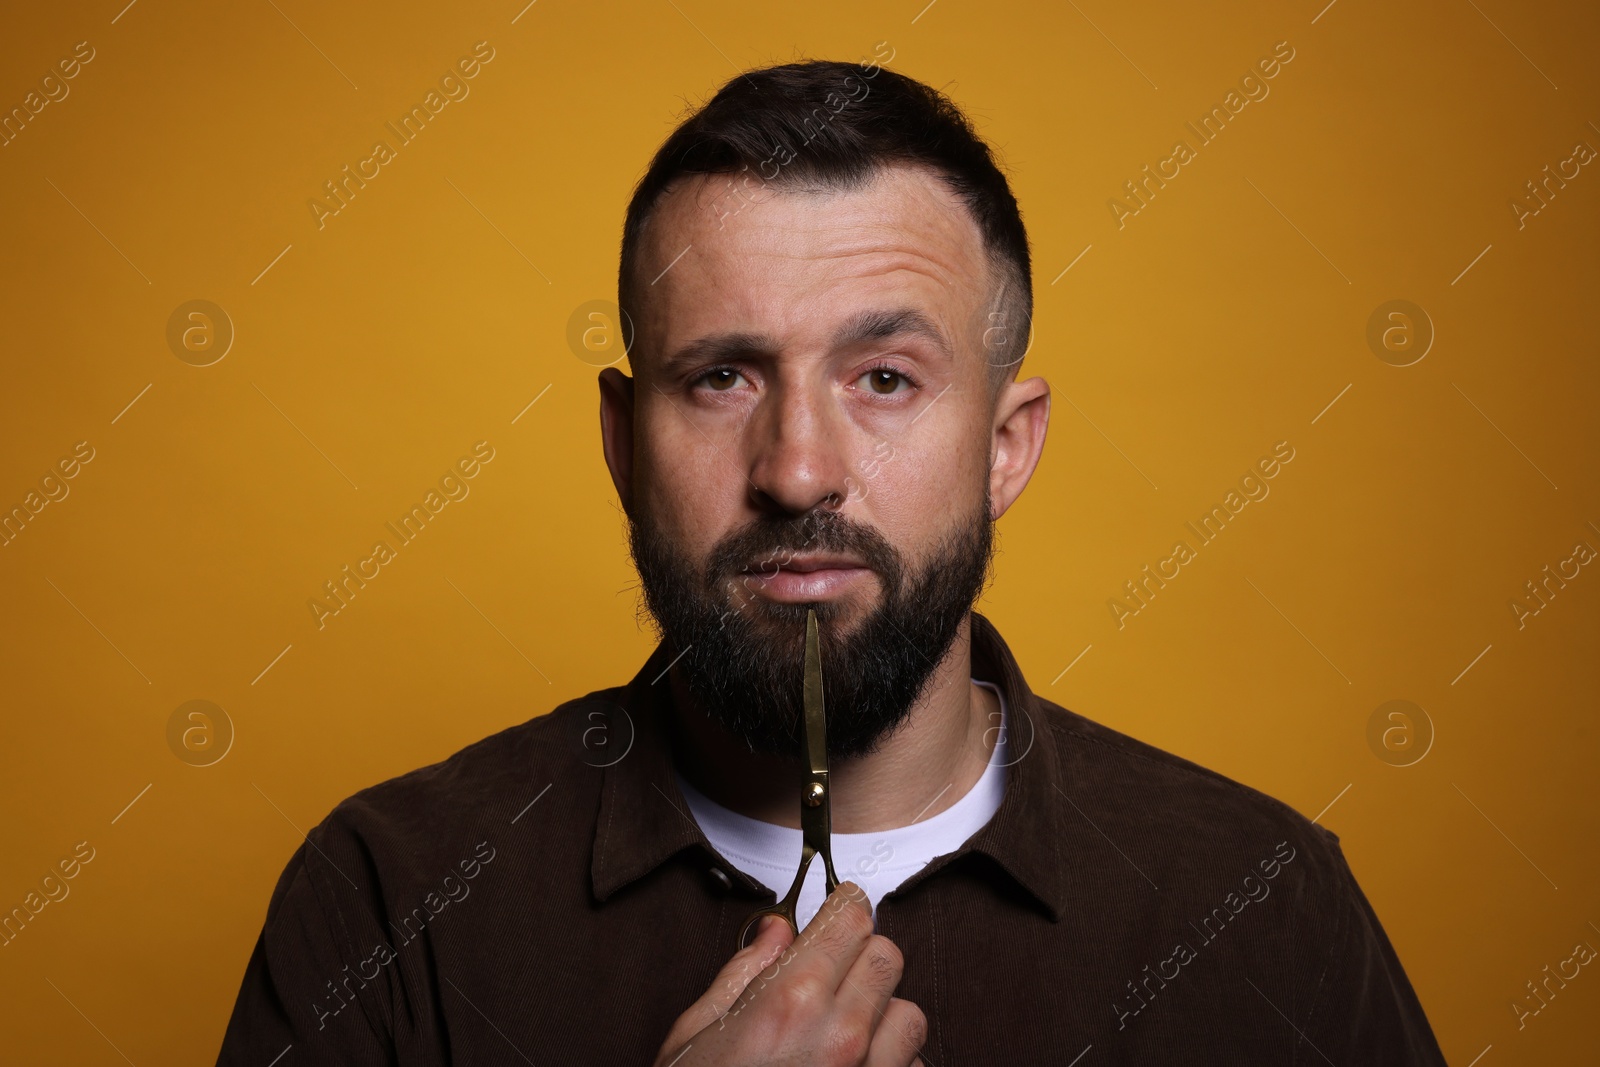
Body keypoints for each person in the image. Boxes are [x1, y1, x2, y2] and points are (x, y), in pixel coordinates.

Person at [217, 58, 1447, 1065]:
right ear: (622, 443)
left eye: (884, 380)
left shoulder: (1259, 905)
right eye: (720, 377)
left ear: (1006, 447)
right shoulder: (392, 895)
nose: (797, 469)